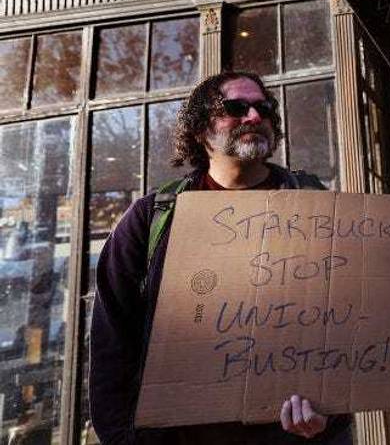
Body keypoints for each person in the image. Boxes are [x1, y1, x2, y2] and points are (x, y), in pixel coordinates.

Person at [89, 71, 352, 444]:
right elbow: (112, 342)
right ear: (200, 130)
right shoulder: (154, 216)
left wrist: (332, 418)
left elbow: (347, 321)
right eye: (236, 108)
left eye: (264, 108)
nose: (254, 117)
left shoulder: (314, 204)